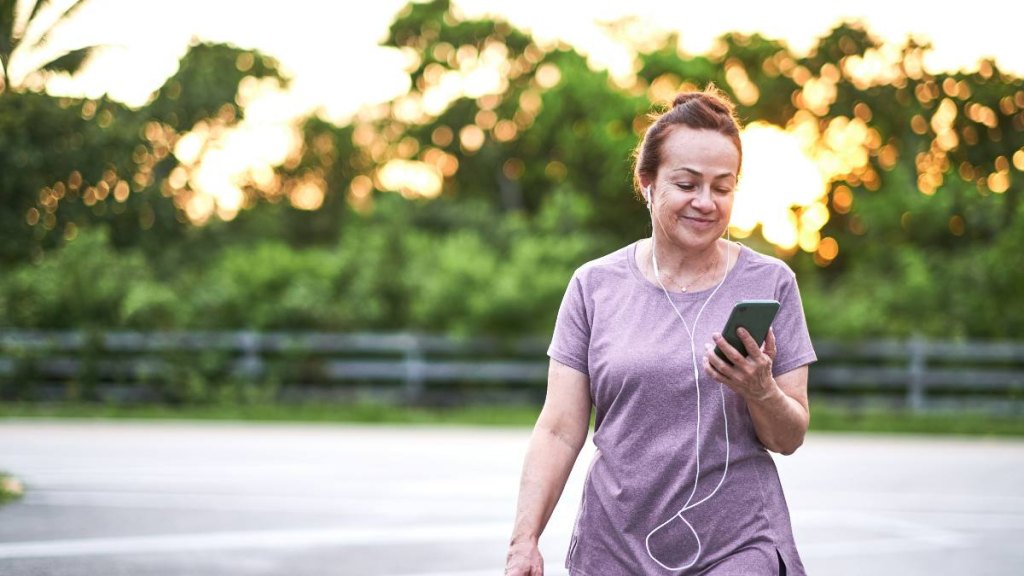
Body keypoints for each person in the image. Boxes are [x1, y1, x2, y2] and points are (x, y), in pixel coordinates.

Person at [504, 85, 816, 575]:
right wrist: (524, 540)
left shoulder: (771, 282)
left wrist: (760, 390)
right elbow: (560, 430)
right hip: (613, 548)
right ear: (647, 183)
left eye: (723, 186)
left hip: (737, 545)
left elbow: (789, 435)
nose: (706, 202)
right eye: (687, 184)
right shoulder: (593, 286)